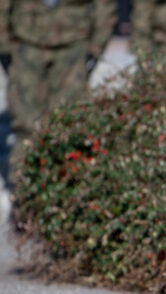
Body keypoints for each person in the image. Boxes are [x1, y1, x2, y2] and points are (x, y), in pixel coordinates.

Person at [0, 0, 115, 183]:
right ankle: (23, 191)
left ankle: (63, 191)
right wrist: (4, 43)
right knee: (25, 124)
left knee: (69, 124)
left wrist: (96, 46)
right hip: (27, 43)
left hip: (73, 45)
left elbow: (104, 5)